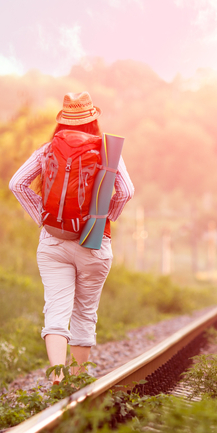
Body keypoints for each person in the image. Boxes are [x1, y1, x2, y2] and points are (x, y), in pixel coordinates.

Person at [9, 91, 134, 376]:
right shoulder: (108, 151)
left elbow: (17, 184)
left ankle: (56, 374)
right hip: (94, 243)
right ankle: (77, 380)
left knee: (55, 310)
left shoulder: (47, 149)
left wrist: (42, 215)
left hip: (53, 240)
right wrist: (103, 218)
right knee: (84, 313)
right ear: (93, 120)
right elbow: (126, 191)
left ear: (63, 121)